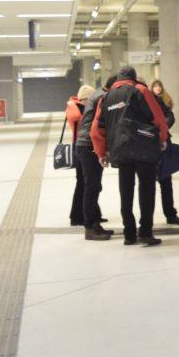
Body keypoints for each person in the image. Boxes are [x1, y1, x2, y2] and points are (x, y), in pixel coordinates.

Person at [91, 67, 169, 246]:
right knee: (146, 189)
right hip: (144, 149)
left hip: (120, 150)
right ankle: (145, 232)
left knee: (125, 192)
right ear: (134, 78)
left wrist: (101, 152)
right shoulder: (141, 90)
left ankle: (129, 234)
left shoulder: (106, 97)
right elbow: (158, 117)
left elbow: (97, 128)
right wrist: (162, 138)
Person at [75, 77, 115, 241]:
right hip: (89, 145)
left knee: (93, 186)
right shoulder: (102, 97)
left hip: (87, 144)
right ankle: (89, 227)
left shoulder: (99, 94)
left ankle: (95, 224)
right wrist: (102, 151)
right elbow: (98, 126)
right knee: (91, 187)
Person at [150, 80, 179, 225]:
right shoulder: (129, 102)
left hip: (162, 145)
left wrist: (162, 128)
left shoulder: (156, 100)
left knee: (166, 181)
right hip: (142, 149)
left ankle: (170, 214)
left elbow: (170, 116)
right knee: (146, 185)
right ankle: (146, 220)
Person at [66, 85, 96, 226]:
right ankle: (77, 216)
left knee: (86, 183)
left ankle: (90, 213)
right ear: (85, 99)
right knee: (84, 183)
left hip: (80, 146)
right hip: (82, 148)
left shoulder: (78, 108)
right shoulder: (79, 110)